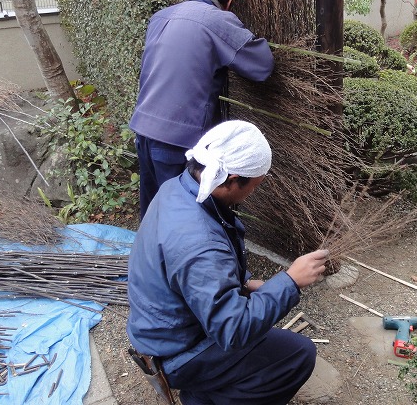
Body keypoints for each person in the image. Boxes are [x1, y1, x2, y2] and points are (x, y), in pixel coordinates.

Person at [127, 120, 329, 405]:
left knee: (269, 341)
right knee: (297, 354)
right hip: (176, 354)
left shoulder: (177, 188)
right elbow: (231, 331)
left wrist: (244, 283)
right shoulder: (199, 242)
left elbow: (200, 275)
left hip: (160, 331)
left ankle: (205, 391)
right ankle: (204, 396)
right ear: (233, 179)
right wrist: (290, 281)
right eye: (255, 185)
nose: (254, 193)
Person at [130, 0, 275, 220]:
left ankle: (149, 258)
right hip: (177, 139)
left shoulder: (160, 17)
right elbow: (262, 66)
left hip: (143, 129)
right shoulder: (218, 20)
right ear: (228, 4)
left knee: (154, 211)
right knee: (183, 218)